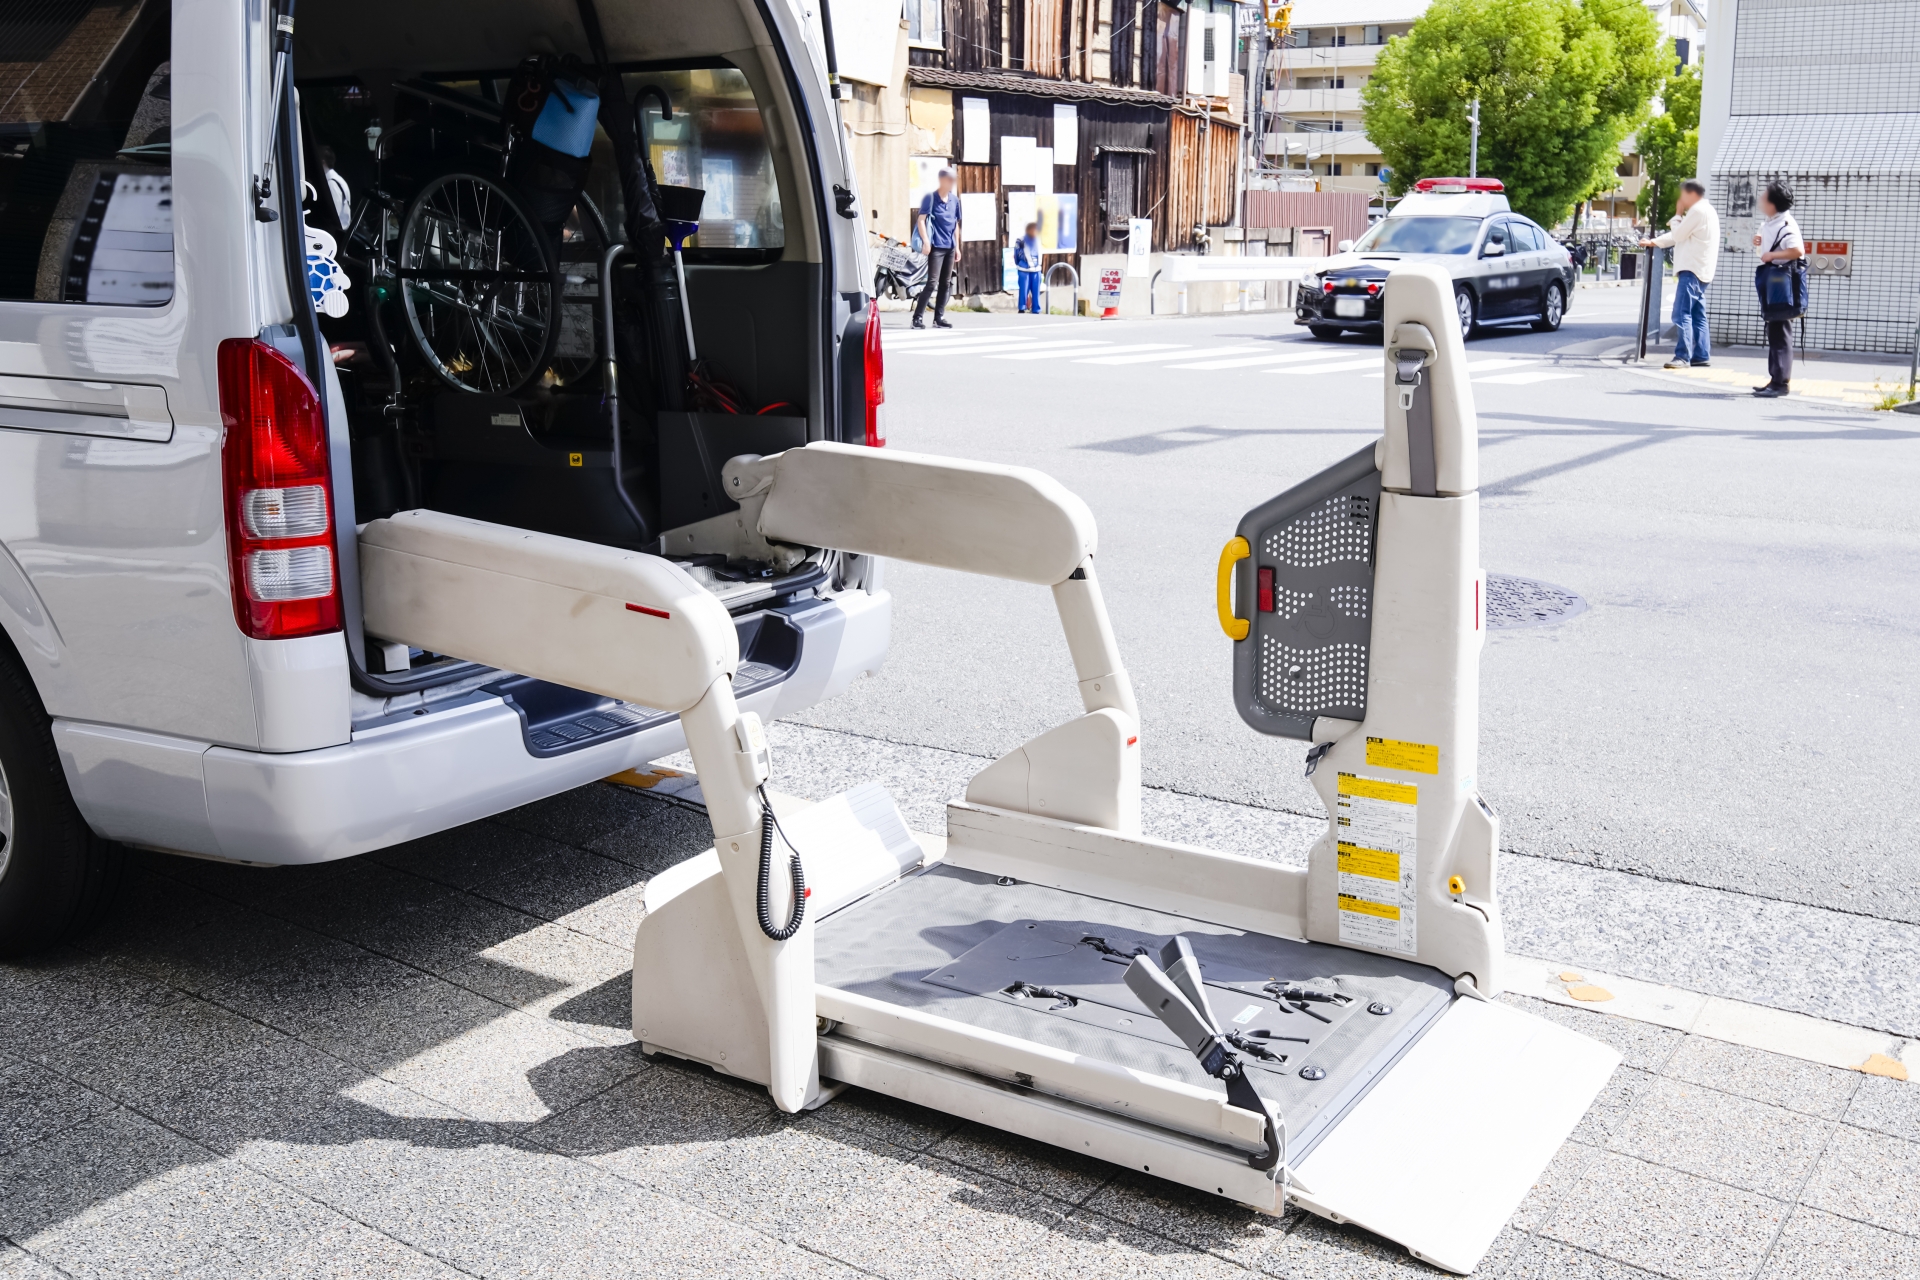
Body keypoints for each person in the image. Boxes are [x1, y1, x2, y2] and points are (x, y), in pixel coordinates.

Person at [1640, 178, 1719, 369]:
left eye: (1682, 194)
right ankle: (1701, 354)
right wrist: (1655, 241)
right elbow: (1682, 235)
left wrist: (1677, 214)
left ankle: (1683, 356)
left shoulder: (1698, 211)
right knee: (1698, 314)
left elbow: (1678, 234)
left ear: (1691, 194)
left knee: (1681, 313)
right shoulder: (1707, 211)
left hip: (1691, 270)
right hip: (1702, 270)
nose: (1680, 199)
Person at [1749, 181, 1805, 398]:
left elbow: (1797, 250)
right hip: (1774, 283)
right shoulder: (1771, 223)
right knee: (1775, 330)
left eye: (1764, 197)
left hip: (1782, 284)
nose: (1761, 200)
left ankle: (1780, 383)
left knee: (1780, 331)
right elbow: (1764, 251)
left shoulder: (1786, 224)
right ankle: (1775, 379)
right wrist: (1759, 244)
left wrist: (1772, 255)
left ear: (1773, 204)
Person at [913, 167, 961, 329]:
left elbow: (956, 225)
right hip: (936, 247)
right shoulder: (930, 198)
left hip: (950, 247)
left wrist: (958, 247)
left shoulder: (955, 200)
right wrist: (926, 242)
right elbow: (921, 221)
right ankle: (917, 318)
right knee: (932, 283)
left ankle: (938, 318)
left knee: (945, 283)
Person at [1014, 220, 1041, 314]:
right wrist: (1019, 264)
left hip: (1036, 269)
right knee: (1024, 289)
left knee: (1036, 289)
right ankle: (1022, 307)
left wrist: (1039, 265)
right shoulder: (1020, 240)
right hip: (1024, 269)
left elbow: (1041, 253)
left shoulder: (1038, 239)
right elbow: (1016, 254)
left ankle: (1036, 309)